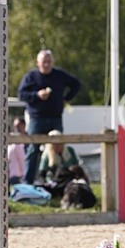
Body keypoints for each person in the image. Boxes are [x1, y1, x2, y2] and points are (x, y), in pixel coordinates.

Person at [18, 50, 81, 184]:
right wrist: (37, 95)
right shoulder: (31, 77)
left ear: (52, 62)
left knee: (59, 149)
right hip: (37, 119)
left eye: (48, 62)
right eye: (43, 62)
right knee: (33, 150)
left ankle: (63, 180)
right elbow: (21, 94)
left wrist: (65, 99)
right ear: (38, 63)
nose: (46, 65)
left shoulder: (60, 75)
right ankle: (28, 182)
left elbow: (77, 84)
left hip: (55, 118)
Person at [7, 116, 27, 186]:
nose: (16, 128)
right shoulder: (12, 144)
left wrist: (24, 173)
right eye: (15, 126)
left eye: (18, 125)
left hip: (18, 174)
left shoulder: (16, 145)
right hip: (12, 174)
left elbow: (22, 160)